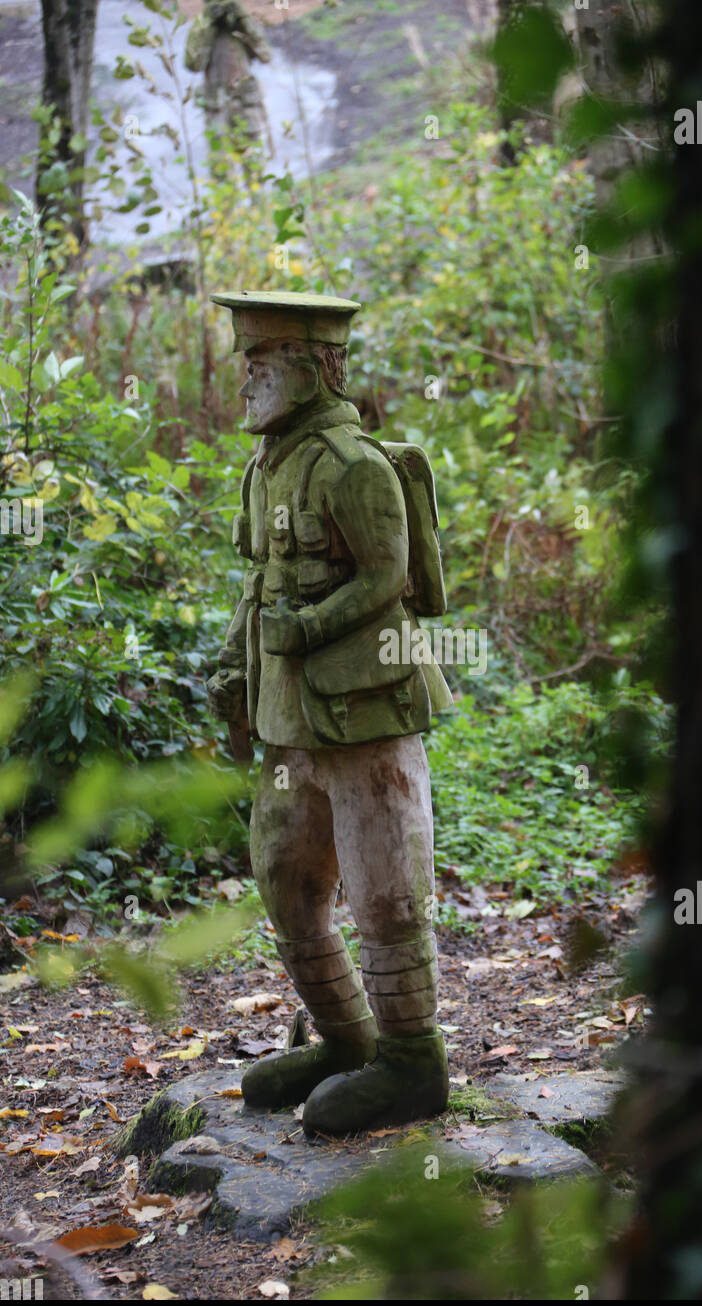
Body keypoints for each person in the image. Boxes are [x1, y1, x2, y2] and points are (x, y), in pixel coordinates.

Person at [207, 290, 452, 1136]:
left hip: (365, 710)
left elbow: (388, 576)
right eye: (245, 361)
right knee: (286, 879)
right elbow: (257, 578)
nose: (244, 380)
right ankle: (348, 1043)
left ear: (311, 368)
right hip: (287, 719)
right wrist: (239, 663)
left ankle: (414, 1061)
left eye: (259, 362)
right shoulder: (266, 466)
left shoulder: (356, 466)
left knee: (385, 893)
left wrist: (308, 625)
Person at [184, 0, 273, 157]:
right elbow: (194, 65)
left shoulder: (242, 24)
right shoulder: (201, 25)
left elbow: (265, 55)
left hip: (246, 101)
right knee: (220, 160)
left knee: (254, 158)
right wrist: (208, 26)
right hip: (217, 104)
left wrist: (243, 20)